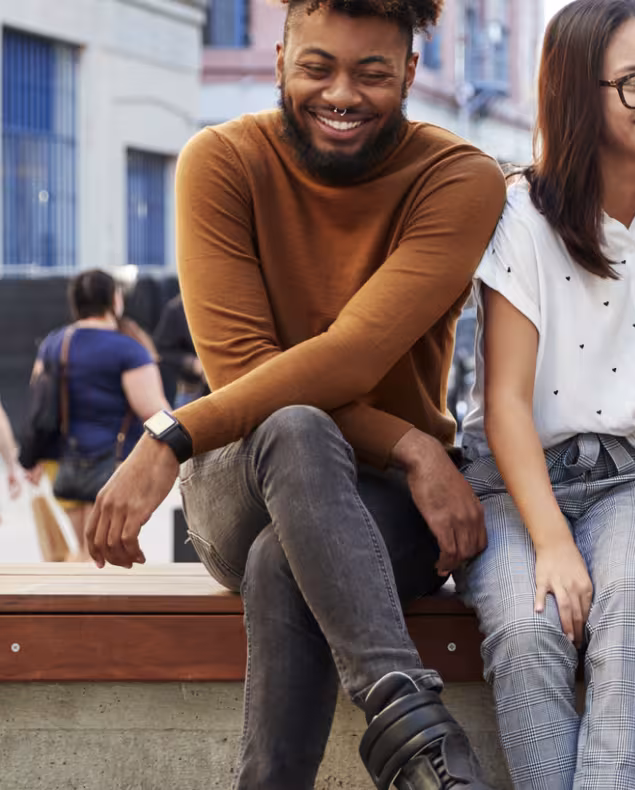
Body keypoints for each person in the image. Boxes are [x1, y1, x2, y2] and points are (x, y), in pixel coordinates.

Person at [81, 0, 506, 786]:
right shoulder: (222, 161)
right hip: (240, 475)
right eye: (317, 67)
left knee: (289, 560)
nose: (341, 93)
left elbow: (355, 355)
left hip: (386, 508)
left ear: (411, 73)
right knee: (298, 428)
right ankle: (423, 744)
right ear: (279, 58)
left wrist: (168, 432)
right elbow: (250, 377)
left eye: (372, 73)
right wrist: (413, 443)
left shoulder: (459, 177)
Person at [454, 1, 635, 787]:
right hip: (513, 477)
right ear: (576, 95)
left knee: (630, 604)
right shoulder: (521, 215)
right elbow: (504, 404)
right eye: (634, 83)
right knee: (527, 631)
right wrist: (553, 542)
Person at [25, 270, 171, 561]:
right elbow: (155, 412)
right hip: (115, 467)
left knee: (83, 550)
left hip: (64, 464)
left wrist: (34, 457)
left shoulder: (54, 343)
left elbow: (39, 403)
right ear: (114, 300)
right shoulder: (129, 350)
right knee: (102, 557)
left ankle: (74, 601)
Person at [154, 294, 211, 409]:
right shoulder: (176, 308)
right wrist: (192, 363)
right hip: (192, 389)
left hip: (228, 387)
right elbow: (162, 351)